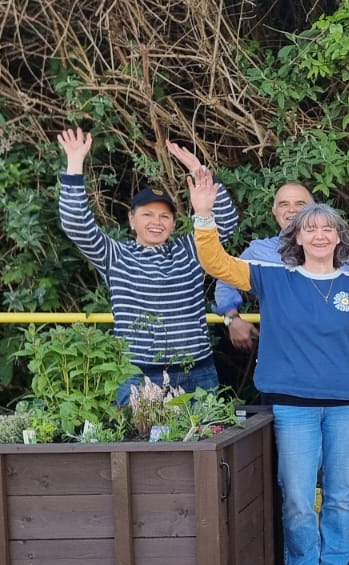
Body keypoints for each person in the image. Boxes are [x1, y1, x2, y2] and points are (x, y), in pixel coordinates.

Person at [187, 168, 349, 565]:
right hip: (292, 405)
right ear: (294, 238)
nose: (318, 235)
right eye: (309, 228)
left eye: (326, 228)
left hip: (347, 404)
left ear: (339, 238)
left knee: (338, 494)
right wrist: (204, 216)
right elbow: (216, 264)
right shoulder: (270, 275)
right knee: (296, 495)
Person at [55, 129, 239, 403]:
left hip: (196, 373)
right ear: (131, 220)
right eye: (147, 214)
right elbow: (76, 224)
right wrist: (74, 163)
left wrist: (199, 171)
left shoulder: (190, 249)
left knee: (202, 443)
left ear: (174, 223)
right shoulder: (116, 255)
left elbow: (226, 221)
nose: (157, 221)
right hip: (138, 375)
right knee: (142, 445)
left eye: (165, 216)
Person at [213, 182, 349, 353]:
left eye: (300, 203)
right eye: (284, 204)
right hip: (280, 359)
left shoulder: (335, 250)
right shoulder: (259, 252)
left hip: (329, 355)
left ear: (314, 210)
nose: (292, 210)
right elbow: (225, 279)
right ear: (274, 211)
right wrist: (232, 319)